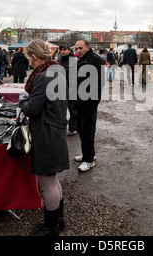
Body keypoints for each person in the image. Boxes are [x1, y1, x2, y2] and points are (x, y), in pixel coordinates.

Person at [21, 38, 69, 236]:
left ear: (34, 56)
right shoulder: (57, 69)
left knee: (46, 182)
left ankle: (52, 228)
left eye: (29, 59)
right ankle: (58, 220)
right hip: (55, 128)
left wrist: (23, 100)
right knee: (52, 179)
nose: (29, 64)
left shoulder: (42, 77)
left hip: (46, 131)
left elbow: (32, 109)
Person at [74, 40, 104, 172]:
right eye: (76, 49)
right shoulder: (82, 59)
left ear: (87, 47)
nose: (78, 50)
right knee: (81, 128)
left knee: (87, 130)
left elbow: (97, 83)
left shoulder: (95, 60)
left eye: (80, 48)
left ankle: (89, 160)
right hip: (80, 100)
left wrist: (91, 100)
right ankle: (87, 153)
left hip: (89, 101)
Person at [59, 44, 78, 136]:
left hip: (71, 88)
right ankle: (61, 127)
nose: (62, 51)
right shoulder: (60, 60)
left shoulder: (73, 61)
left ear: (69, 51)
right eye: (61, 50)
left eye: (64, 49)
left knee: (73, 109)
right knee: (60, 108)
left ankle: (73, 128)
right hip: (61, 88)